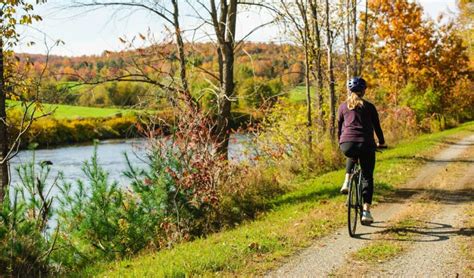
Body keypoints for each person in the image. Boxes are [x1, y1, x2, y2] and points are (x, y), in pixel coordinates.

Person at [337, 77, 386, 225]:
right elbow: (377, 127)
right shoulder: (369, 107)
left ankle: (346, 181)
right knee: (367, 177)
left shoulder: (343, 107)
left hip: (347, 143)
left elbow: (339, 128)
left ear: (349, 90)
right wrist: (381, 142)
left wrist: (341, 141)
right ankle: (366, 212)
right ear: (364, 91)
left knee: (351, 154)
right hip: (366, 144)